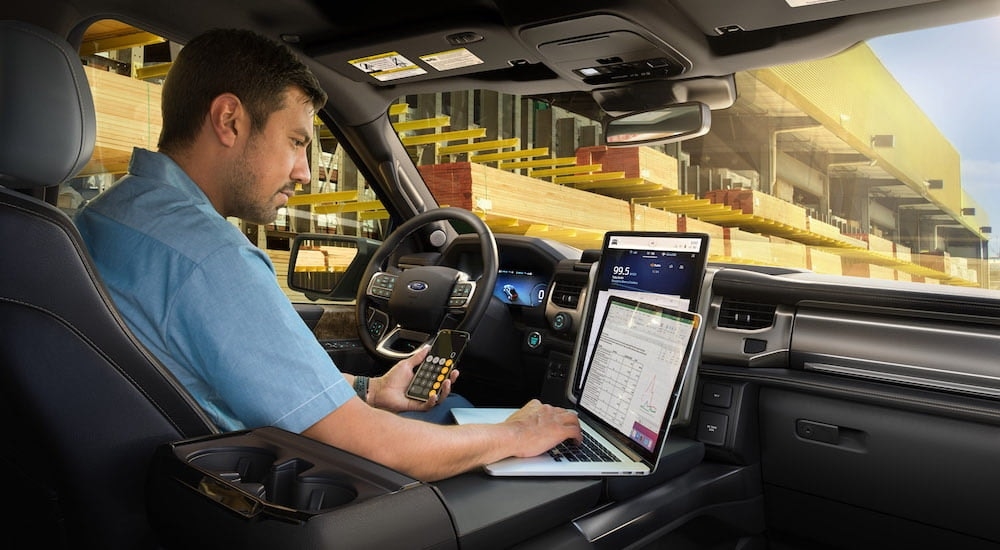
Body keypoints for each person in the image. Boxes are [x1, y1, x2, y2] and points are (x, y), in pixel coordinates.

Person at [74, 28, 581, 482]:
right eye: (296, 141)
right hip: (245, 494)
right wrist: (517, 435)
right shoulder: (211, 260)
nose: (305, 173)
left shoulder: (108, 215)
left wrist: (370, 389)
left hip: (159, 476)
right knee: (470, 413)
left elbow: (243, 371)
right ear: (229, 120)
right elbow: (380, 447)